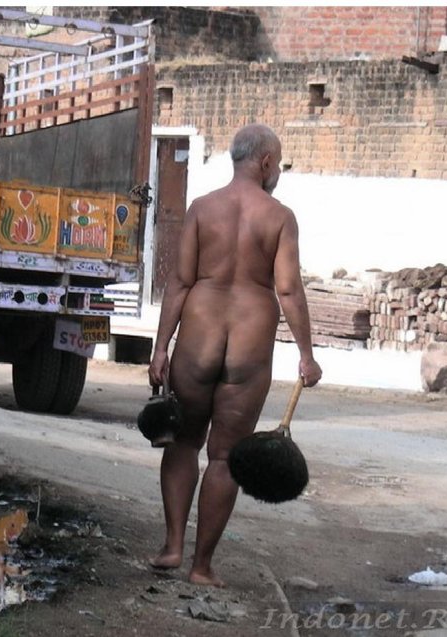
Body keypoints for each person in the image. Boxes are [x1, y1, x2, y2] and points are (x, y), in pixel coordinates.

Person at [147, 123, 323, 587]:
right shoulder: (280, 217)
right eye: (278, 162)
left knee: (183, 443)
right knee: (225, 457)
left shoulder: (202, 209)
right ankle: (201, 566)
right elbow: (289, 290)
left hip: (197, 339)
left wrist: (160, 347)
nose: (278, 170)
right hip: (248, 345)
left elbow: (179, 282)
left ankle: (172, 546)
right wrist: (306, 355)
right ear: (265, 162)